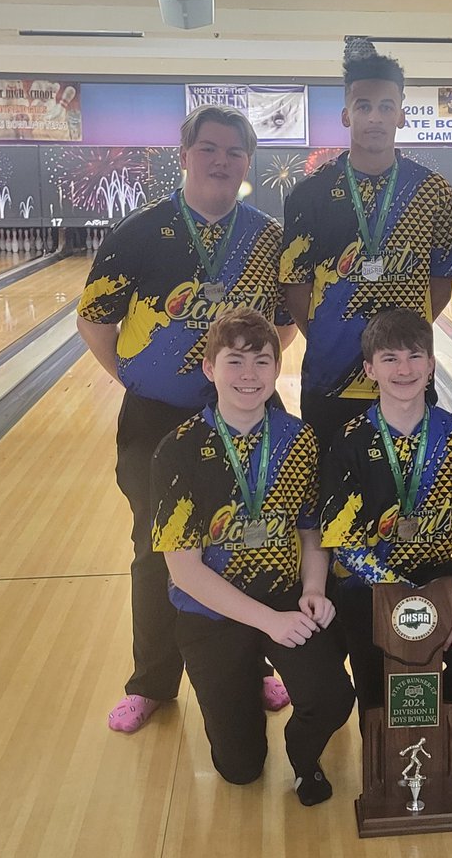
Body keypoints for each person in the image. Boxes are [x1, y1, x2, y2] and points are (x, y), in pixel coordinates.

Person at [77, 104, 295, 733]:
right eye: (209, 149)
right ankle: (151, 682)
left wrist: (244, 382)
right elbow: (95, 317)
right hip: (158, 419)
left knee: (254, 543)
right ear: (185, 154)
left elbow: (282, 322)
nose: (221, 161)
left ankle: (252, 666)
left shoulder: (266, 237)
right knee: (155, 547)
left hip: (250, 420)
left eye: (234, 151)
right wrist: (134, 378)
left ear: (248, 161)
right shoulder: (141, 232)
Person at [151, 309, 353, 803]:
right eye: (234, 361)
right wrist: (269, 623)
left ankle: (305, 760)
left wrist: (311, 590)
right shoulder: (177, 449)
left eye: (262, 361)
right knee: (239, 769)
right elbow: (184, 570)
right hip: (210, 614)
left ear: (277, 368)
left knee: (333, 697)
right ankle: (244, 697)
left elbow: (310, 530)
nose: (249, 375)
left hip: (284, 597)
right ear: (209, 368)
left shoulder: (298, 440)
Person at [281, 43, 452, 452]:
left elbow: (441, 280)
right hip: (331, 378)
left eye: (385, 106)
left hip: (407, 378)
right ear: (346, 114)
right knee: (331, 498)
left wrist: (403, 343)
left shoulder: (433, 191)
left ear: (401, 112)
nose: (374, 117)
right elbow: (295, 286)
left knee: (403, 498)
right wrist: (330, 336)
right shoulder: (311, 193)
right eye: (363, 106)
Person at [319, 308, 452, 720]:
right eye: (390, 359)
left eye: (415, 356)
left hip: (438, 574)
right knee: (377, 709)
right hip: (369, 585)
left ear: (432, 365)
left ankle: (432, 718)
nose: (404, 369)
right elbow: (344, 544)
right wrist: (411, 596)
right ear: (369, 370)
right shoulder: (349, 442)